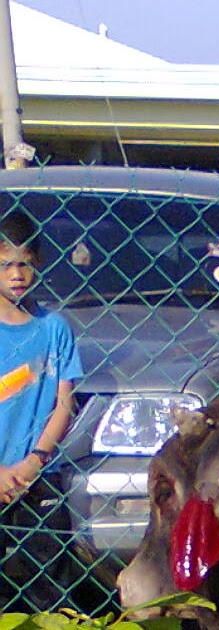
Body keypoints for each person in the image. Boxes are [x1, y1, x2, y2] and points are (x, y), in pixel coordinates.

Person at [0, 210, 85, 612]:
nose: (16, 275)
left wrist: (34, 462)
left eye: (25, 264)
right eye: (5, 265)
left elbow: (63, 404)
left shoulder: (55, 329)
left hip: (38, 476)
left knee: (49, 589)